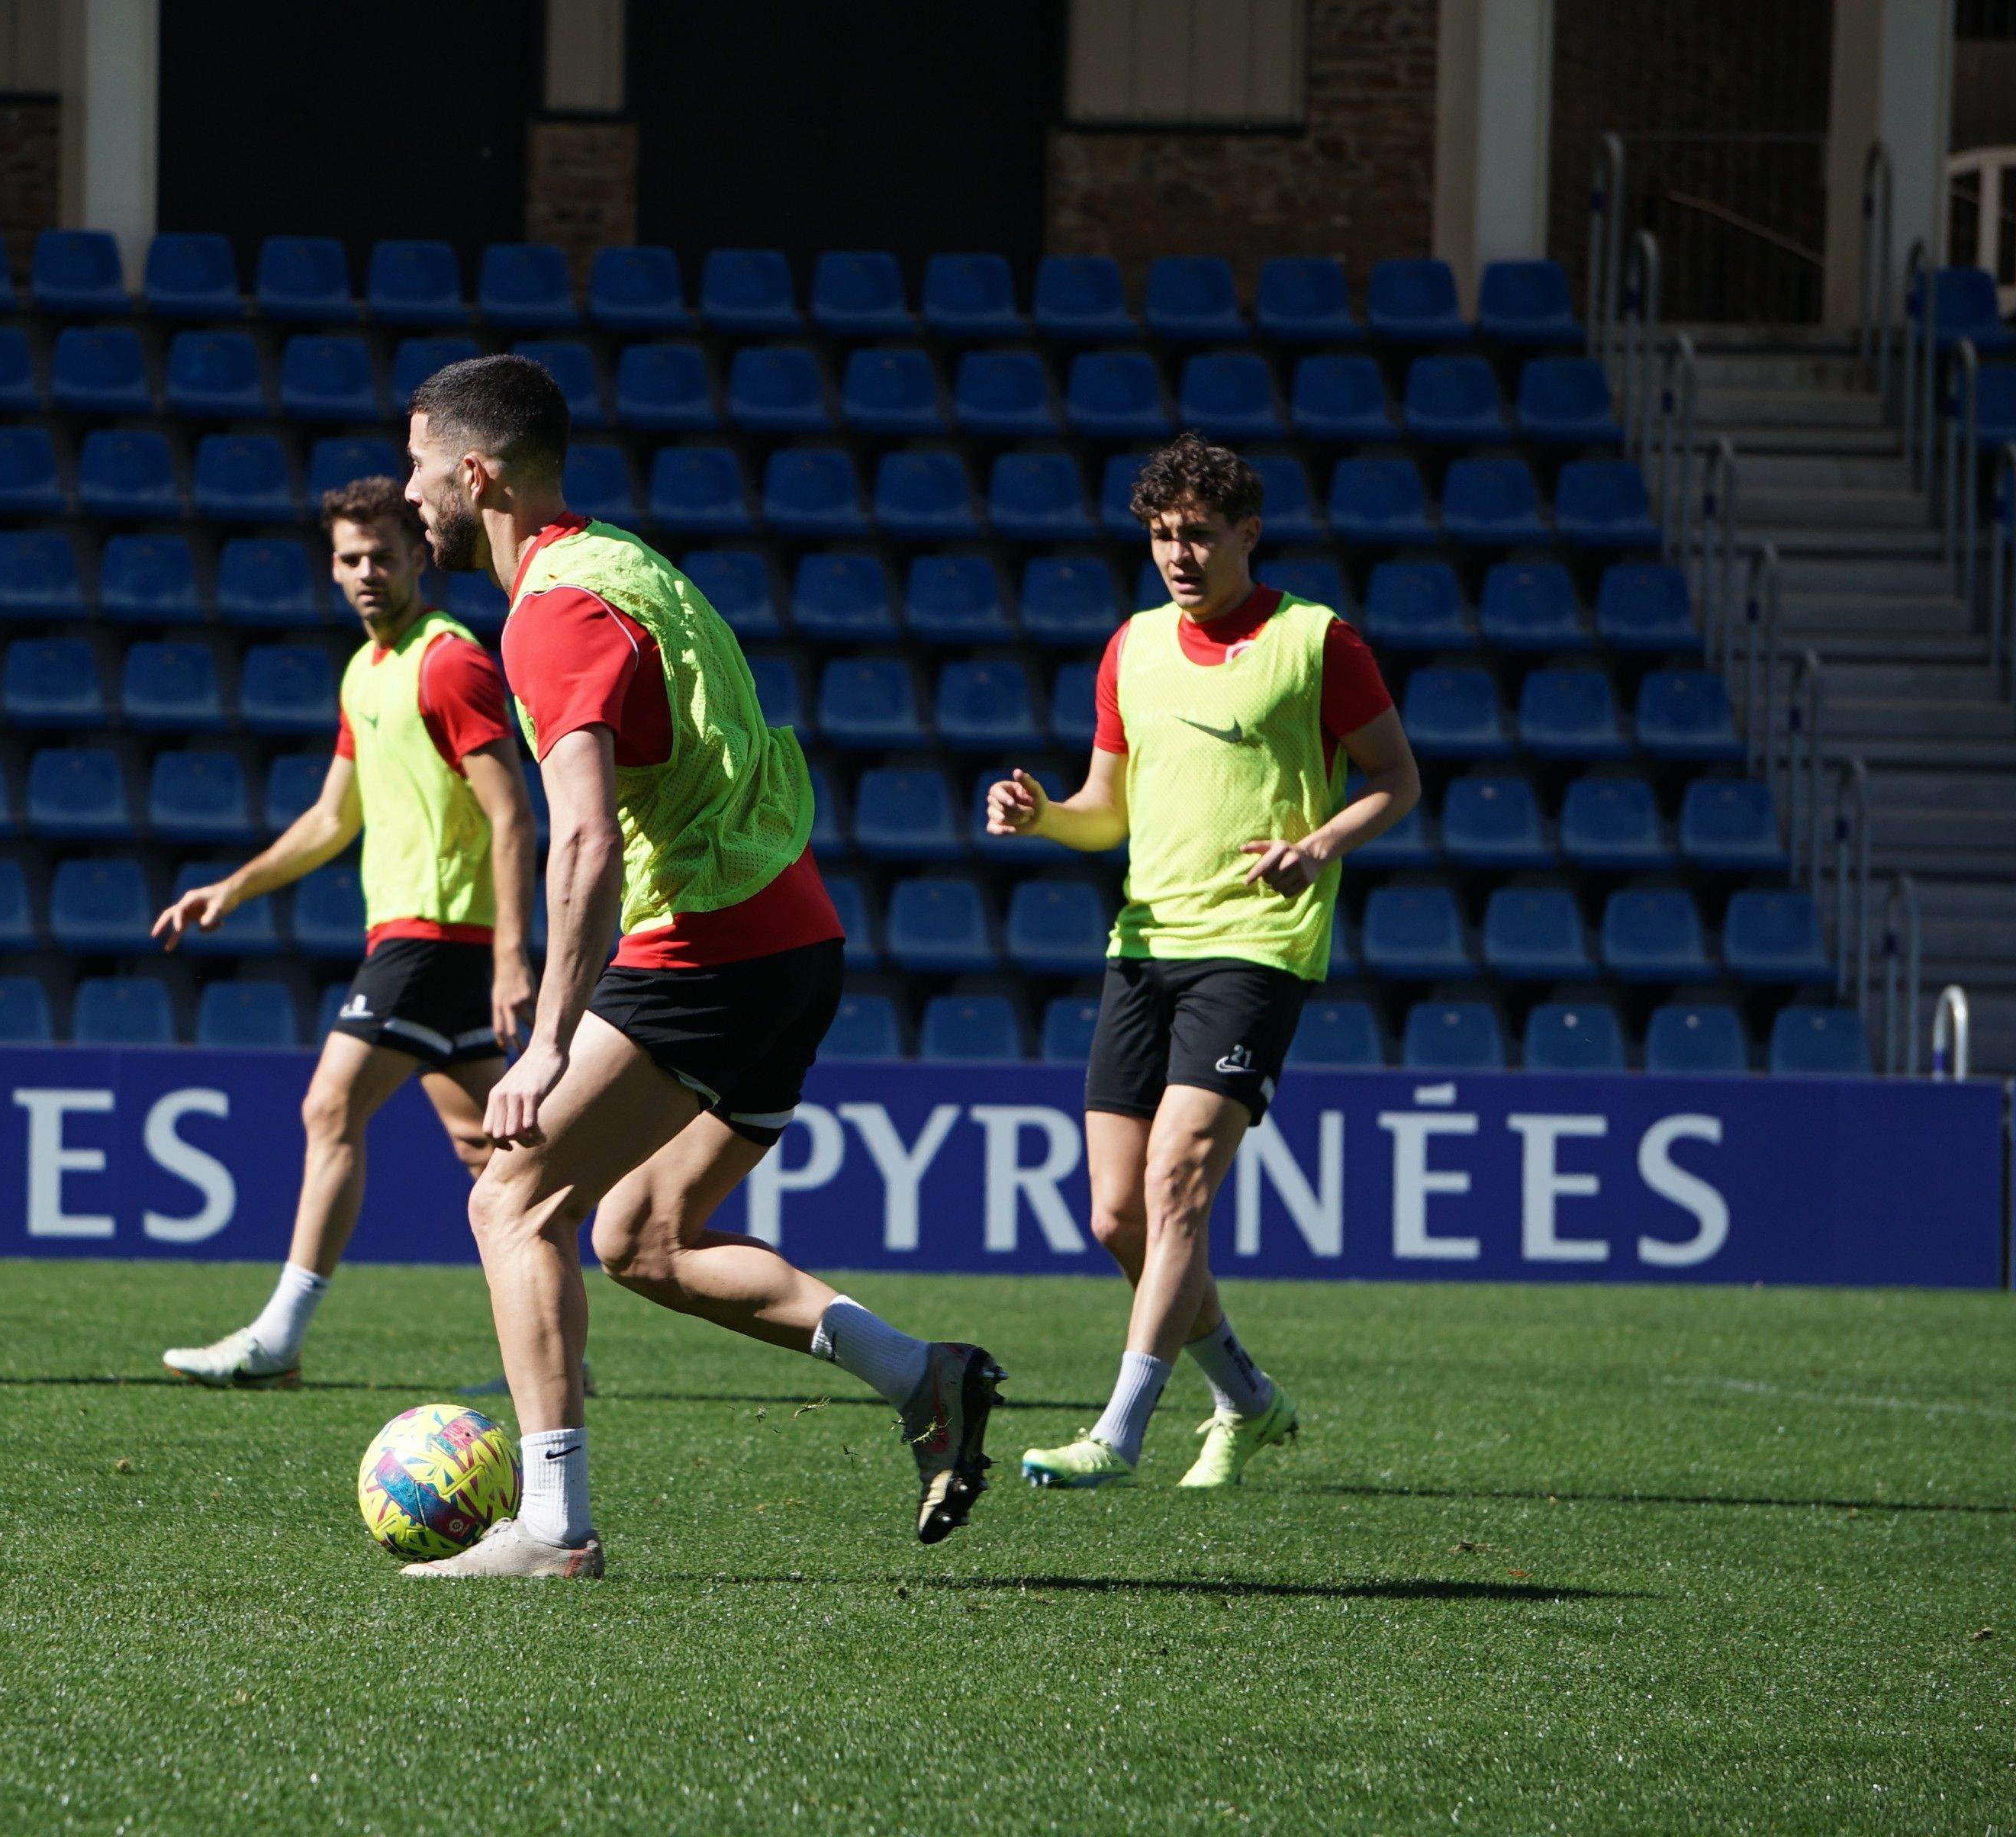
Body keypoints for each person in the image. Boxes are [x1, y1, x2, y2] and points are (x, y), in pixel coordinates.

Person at [395, 354, 1002, 1581]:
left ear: (475, 472)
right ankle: (922, 1376)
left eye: (417, 465)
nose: (409, 494)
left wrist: (551, 1040)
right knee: (646, 1239)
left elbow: (577, 836)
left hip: (711, 942)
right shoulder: (621, 560)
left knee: (510, 1202)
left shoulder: (553, 611)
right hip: (793, 937)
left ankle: (556, 1527)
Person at [987, 432, 1419, 1490]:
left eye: (1199, 536)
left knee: (1179, 1182)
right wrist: (1046, 817)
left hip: (1257, 946)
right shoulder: (1131, 645)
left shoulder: (1318, 642)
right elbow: (1107, 813)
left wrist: (1317, 847)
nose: (1179, 555)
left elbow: (1395, 781)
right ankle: (1247, 1397)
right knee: (1116, 1215)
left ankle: (1121, 1431)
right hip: (1142, 944)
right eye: (1163, 537)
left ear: (1248, 534)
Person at [153, 478, 536, 1388]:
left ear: (418, 558)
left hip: (439, 935)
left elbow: (515, 813)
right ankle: (567, 1348)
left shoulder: (449, 661)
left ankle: (279, 1340)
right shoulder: (366, 670)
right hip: (416, 936)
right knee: (492, 1154)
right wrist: (235, 888)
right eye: (349, 558)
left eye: (383, 555)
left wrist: (516, 956)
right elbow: (334, 816)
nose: (367, 573)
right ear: (332, 566)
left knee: (330, 1108)